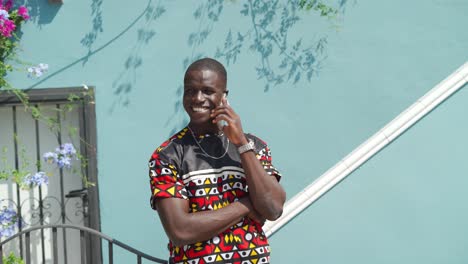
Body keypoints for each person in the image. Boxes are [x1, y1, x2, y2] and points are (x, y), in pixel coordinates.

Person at [148, 58, 286, 264]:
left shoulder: (255, 147)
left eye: (207, 91)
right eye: (190, 90)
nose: (197, 98)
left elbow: (273, 208)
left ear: (224, 96)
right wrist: (248, 205)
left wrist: (241, 143)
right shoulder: (168, 155)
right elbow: (180, 231)